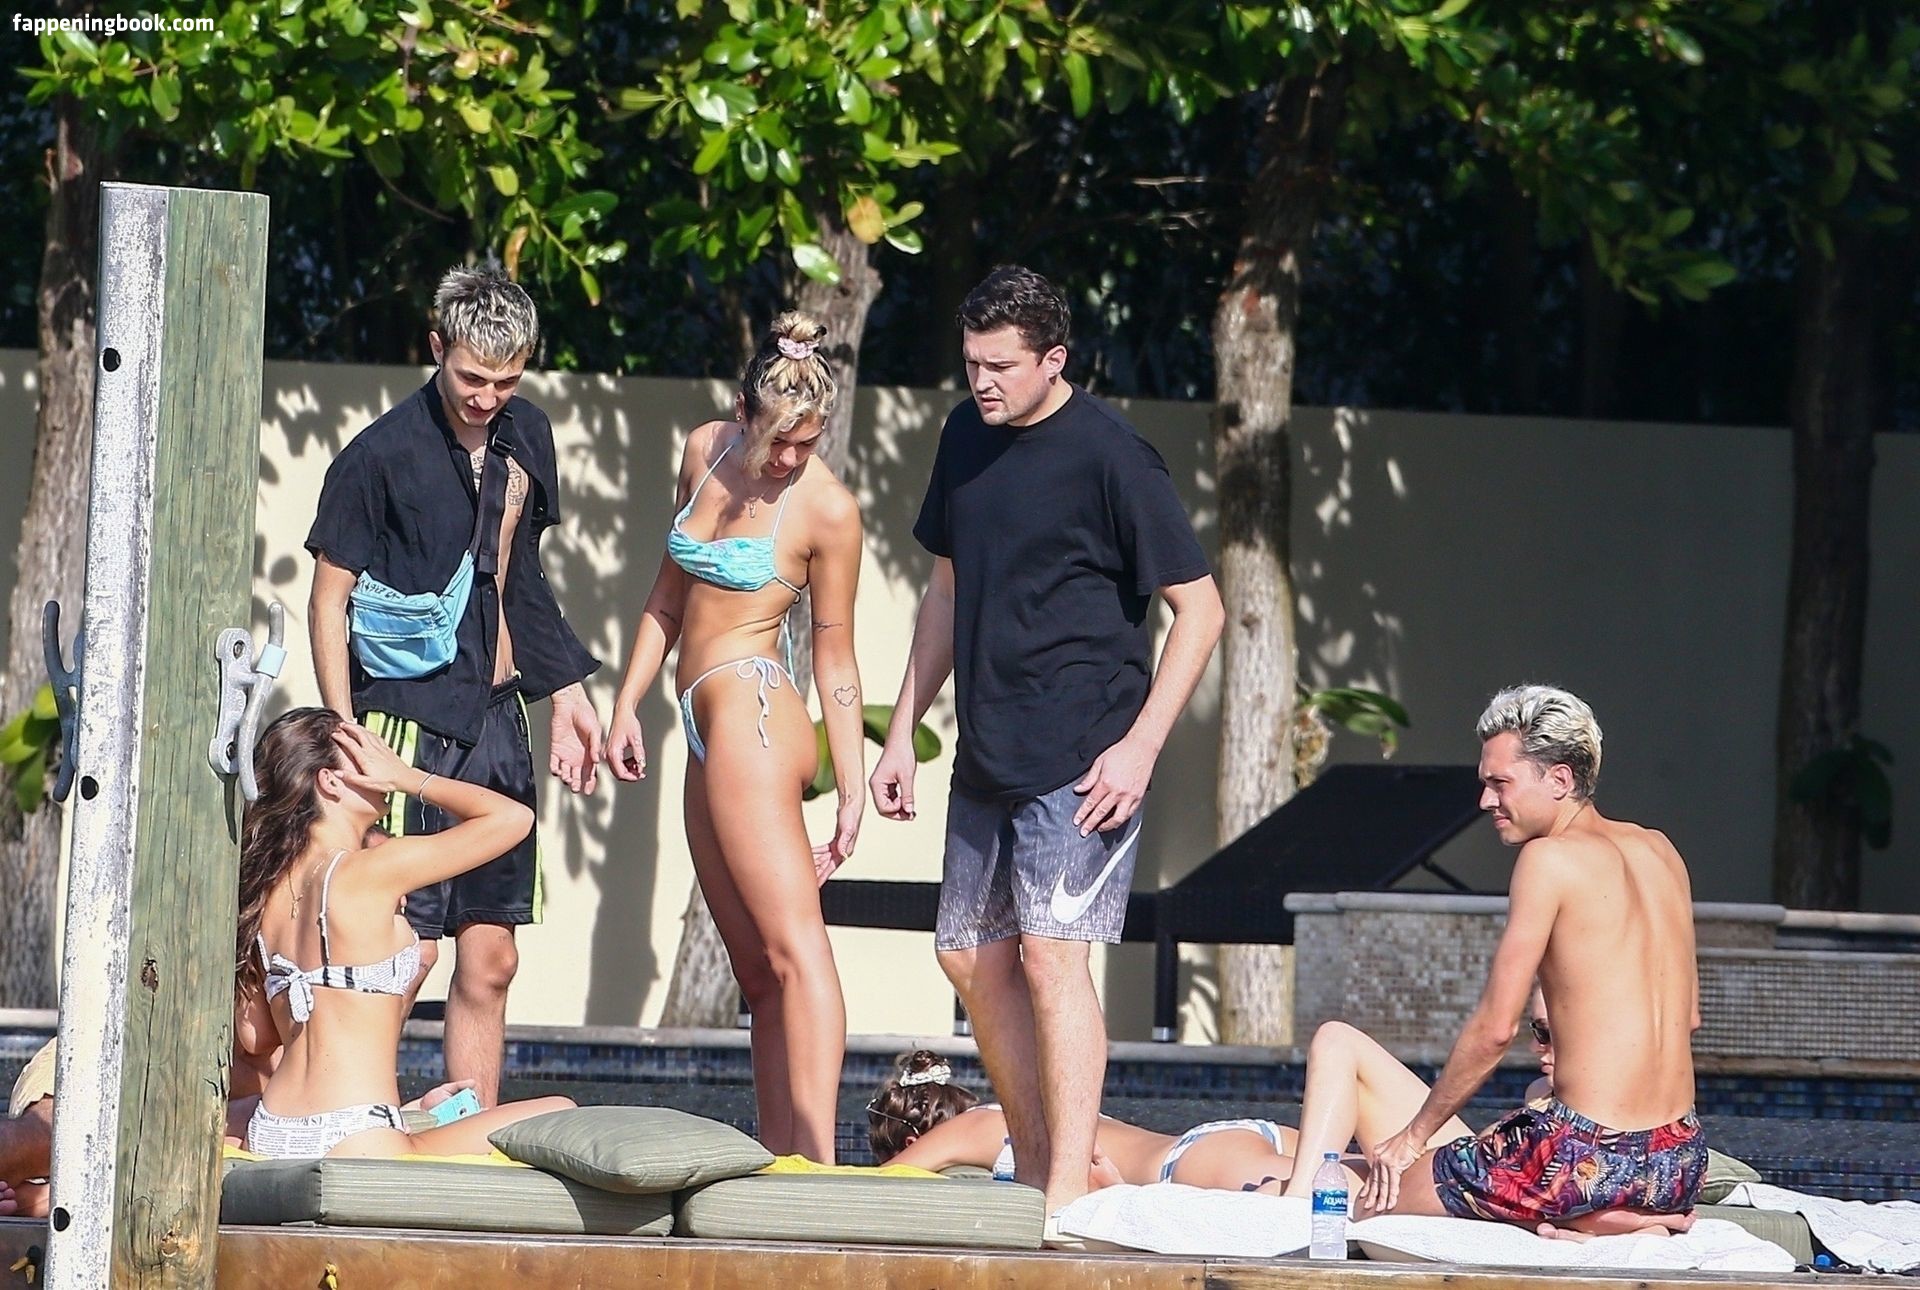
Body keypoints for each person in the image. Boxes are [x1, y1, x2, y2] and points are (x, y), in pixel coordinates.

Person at [869, 266, 1224, 1225]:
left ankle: (1066, 1189)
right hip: (987, 751)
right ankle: (1035, 1165)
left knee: (1051, 959)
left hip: (1086, 758)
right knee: (967, 957)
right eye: (972, 362)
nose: (982, 381)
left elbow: (1201, 611)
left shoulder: (1115, 457)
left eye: (1002, 366)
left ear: (1053, 359)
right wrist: (902, 731)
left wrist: (1140, 749)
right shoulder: (962, 436)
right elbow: (945, 591)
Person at [306, 264, 603, 1106]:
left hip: (498, 719)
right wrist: (344, 730)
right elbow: (328, 601)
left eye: (507, 381)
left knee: (492, 956)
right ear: (437, 348)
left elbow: (522, 576)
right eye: (473, 377)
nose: (487, 397)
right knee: (407, 949)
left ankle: (469, 1139)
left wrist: (567, 693)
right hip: (404, 720)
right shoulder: (378, 455)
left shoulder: (526, 432)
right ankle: (351, 1114)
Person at [1282, 685, 1706, 1239]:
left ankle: (1586, 1212)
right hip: (1679, 1161)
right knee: (1488, 1146)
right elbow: (1688, 1018)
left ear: (1560, 780)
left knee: (1362, 1201)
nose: (1485, 801)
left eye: (1500, 783)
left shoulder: (1548, 859)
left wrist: (1412, 1138)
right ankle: (1598, 1215)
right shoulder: (1661, 850)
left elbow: (1495, 1031)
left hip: (1582, 1157)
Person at [602, 312, 864, 1163]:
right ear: (742, 410)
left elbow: (835, 655)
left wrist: (853, 785)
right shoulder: (703, 451)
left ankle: (818, 1166)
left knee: (796, 951)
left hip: (754, 712)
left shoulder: (827, 509)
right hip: (701, 722)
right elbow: (667, 595)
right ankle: (779, 1160)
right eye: (778, 439)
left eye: (807, 442)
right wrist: (626, 704)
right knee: (757, 973)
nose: (789, 458)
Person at [240, 707, 572, 1158]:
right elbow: (512, 819)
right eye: (366, 755)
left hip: (274, 1127)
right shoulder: (373, 870)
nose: (382, 758)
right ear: (330, 782)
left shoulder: (265, 891)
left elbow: (256, 1037)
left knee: (436, 1119)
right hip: (357, 1132)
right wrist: (407, 777)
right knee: (560, 1110)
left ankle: (408, 1116)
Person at [867, 1050, 1303, 1193]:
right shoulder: (1025, 1110)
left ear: (912, 1142)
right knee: (1343, 1193)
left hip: (1186, 1168)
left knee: (1333, 1207)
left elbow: (878, 1186)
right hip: (1217, 1145)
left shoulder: (965, 1131)